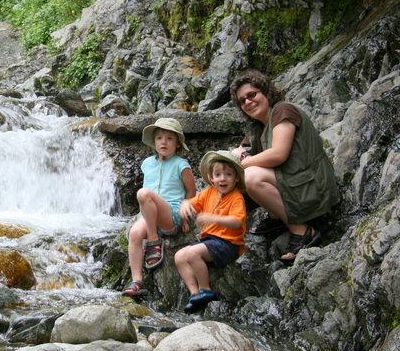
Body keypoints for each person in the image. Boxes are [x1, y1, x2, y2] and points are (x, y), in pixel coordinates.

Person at [229, 69, 339, 265]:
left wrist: (241, 163)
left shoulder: (283, 111)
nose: (247, 102)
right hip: (297, 183)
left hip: (314, 186)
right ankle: (277, 216)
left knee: (250, 176)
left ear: (266, 92)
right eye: (242, 101)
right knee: (231, 178)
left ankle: (302, 230)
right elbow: (247, 151)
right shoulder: (260, 127)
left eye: (252, 95)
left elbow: (278, 154)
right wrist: (239, 155)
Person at [121, 118, 196, 297]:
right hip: (149, 216)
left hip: (170, 214)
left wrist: (186, 217)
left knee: (143, 194)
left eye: (169, 138)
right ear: (154, 142)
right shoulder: (147, 163)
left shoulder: (181, 165)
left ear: (177, 144)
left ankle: (154, 241)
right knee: (134, 233)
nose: (164, 142)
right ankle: (137, 281)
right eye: (160, 138)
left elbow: (191, 192)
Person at [175, 150, 247, 313]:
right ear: (212, 178)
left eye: (228, 174)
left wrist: (213, 218)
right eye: (218, 174)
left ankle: (205, 289)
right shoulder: (209, 192)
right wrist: (185, 206)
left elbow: (237, 222)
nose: (223, 178)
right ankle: (194, 294)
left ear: (236, 178)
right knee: (179, 256)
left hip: (229, 244)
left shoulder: (236, 197)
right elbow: (191, 203)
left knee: (193, 253)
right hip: (209, 242)